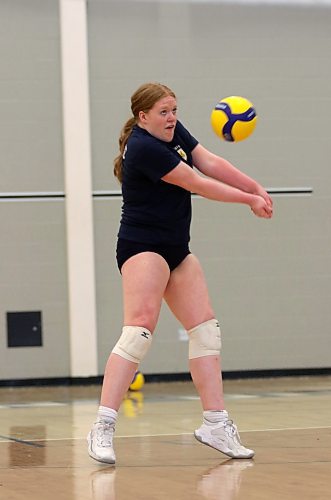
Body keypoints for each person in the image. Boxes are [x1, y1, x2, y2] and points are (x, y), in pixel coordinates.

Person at [87, 82, 273, 464]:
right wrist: (248, 200)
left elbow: (208, 162)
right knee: (139, 330)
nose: (171, 118)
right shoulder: (142, 147)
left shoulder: (173, 132)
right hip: (143, 247)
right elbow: (198, 183)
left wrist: (254, 185)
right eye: (163, 112)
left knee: (206, 330)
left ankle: (216, 424)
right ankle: (103, 426)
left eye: (174, 110)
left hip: (176, 248)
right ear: (143, 117)